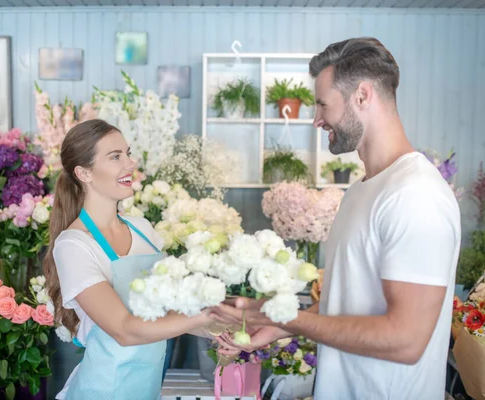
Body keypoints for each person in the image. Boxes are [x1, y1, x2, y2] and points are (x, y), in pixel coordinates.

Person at [211, 37, 462, 400]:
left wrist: (280, 316)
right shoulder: (361, 190)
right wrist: (280, 329)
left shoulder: (415, 195)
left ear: (362, 96)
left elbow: (406, 341)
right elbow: (349, 301)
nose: (316, 120)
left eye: (322, 105)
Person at [43, 119, 212, 400]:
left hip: (146, 390)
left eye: (128, 153)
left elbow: (173, 309)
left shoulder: (143, 229)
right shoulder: (73, 245)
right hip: (102, 391)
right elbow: (123, 329)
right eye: (115, 157)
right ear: (84, 173)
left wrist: (219, 332)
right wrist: (205, 317)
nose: (130, 164)